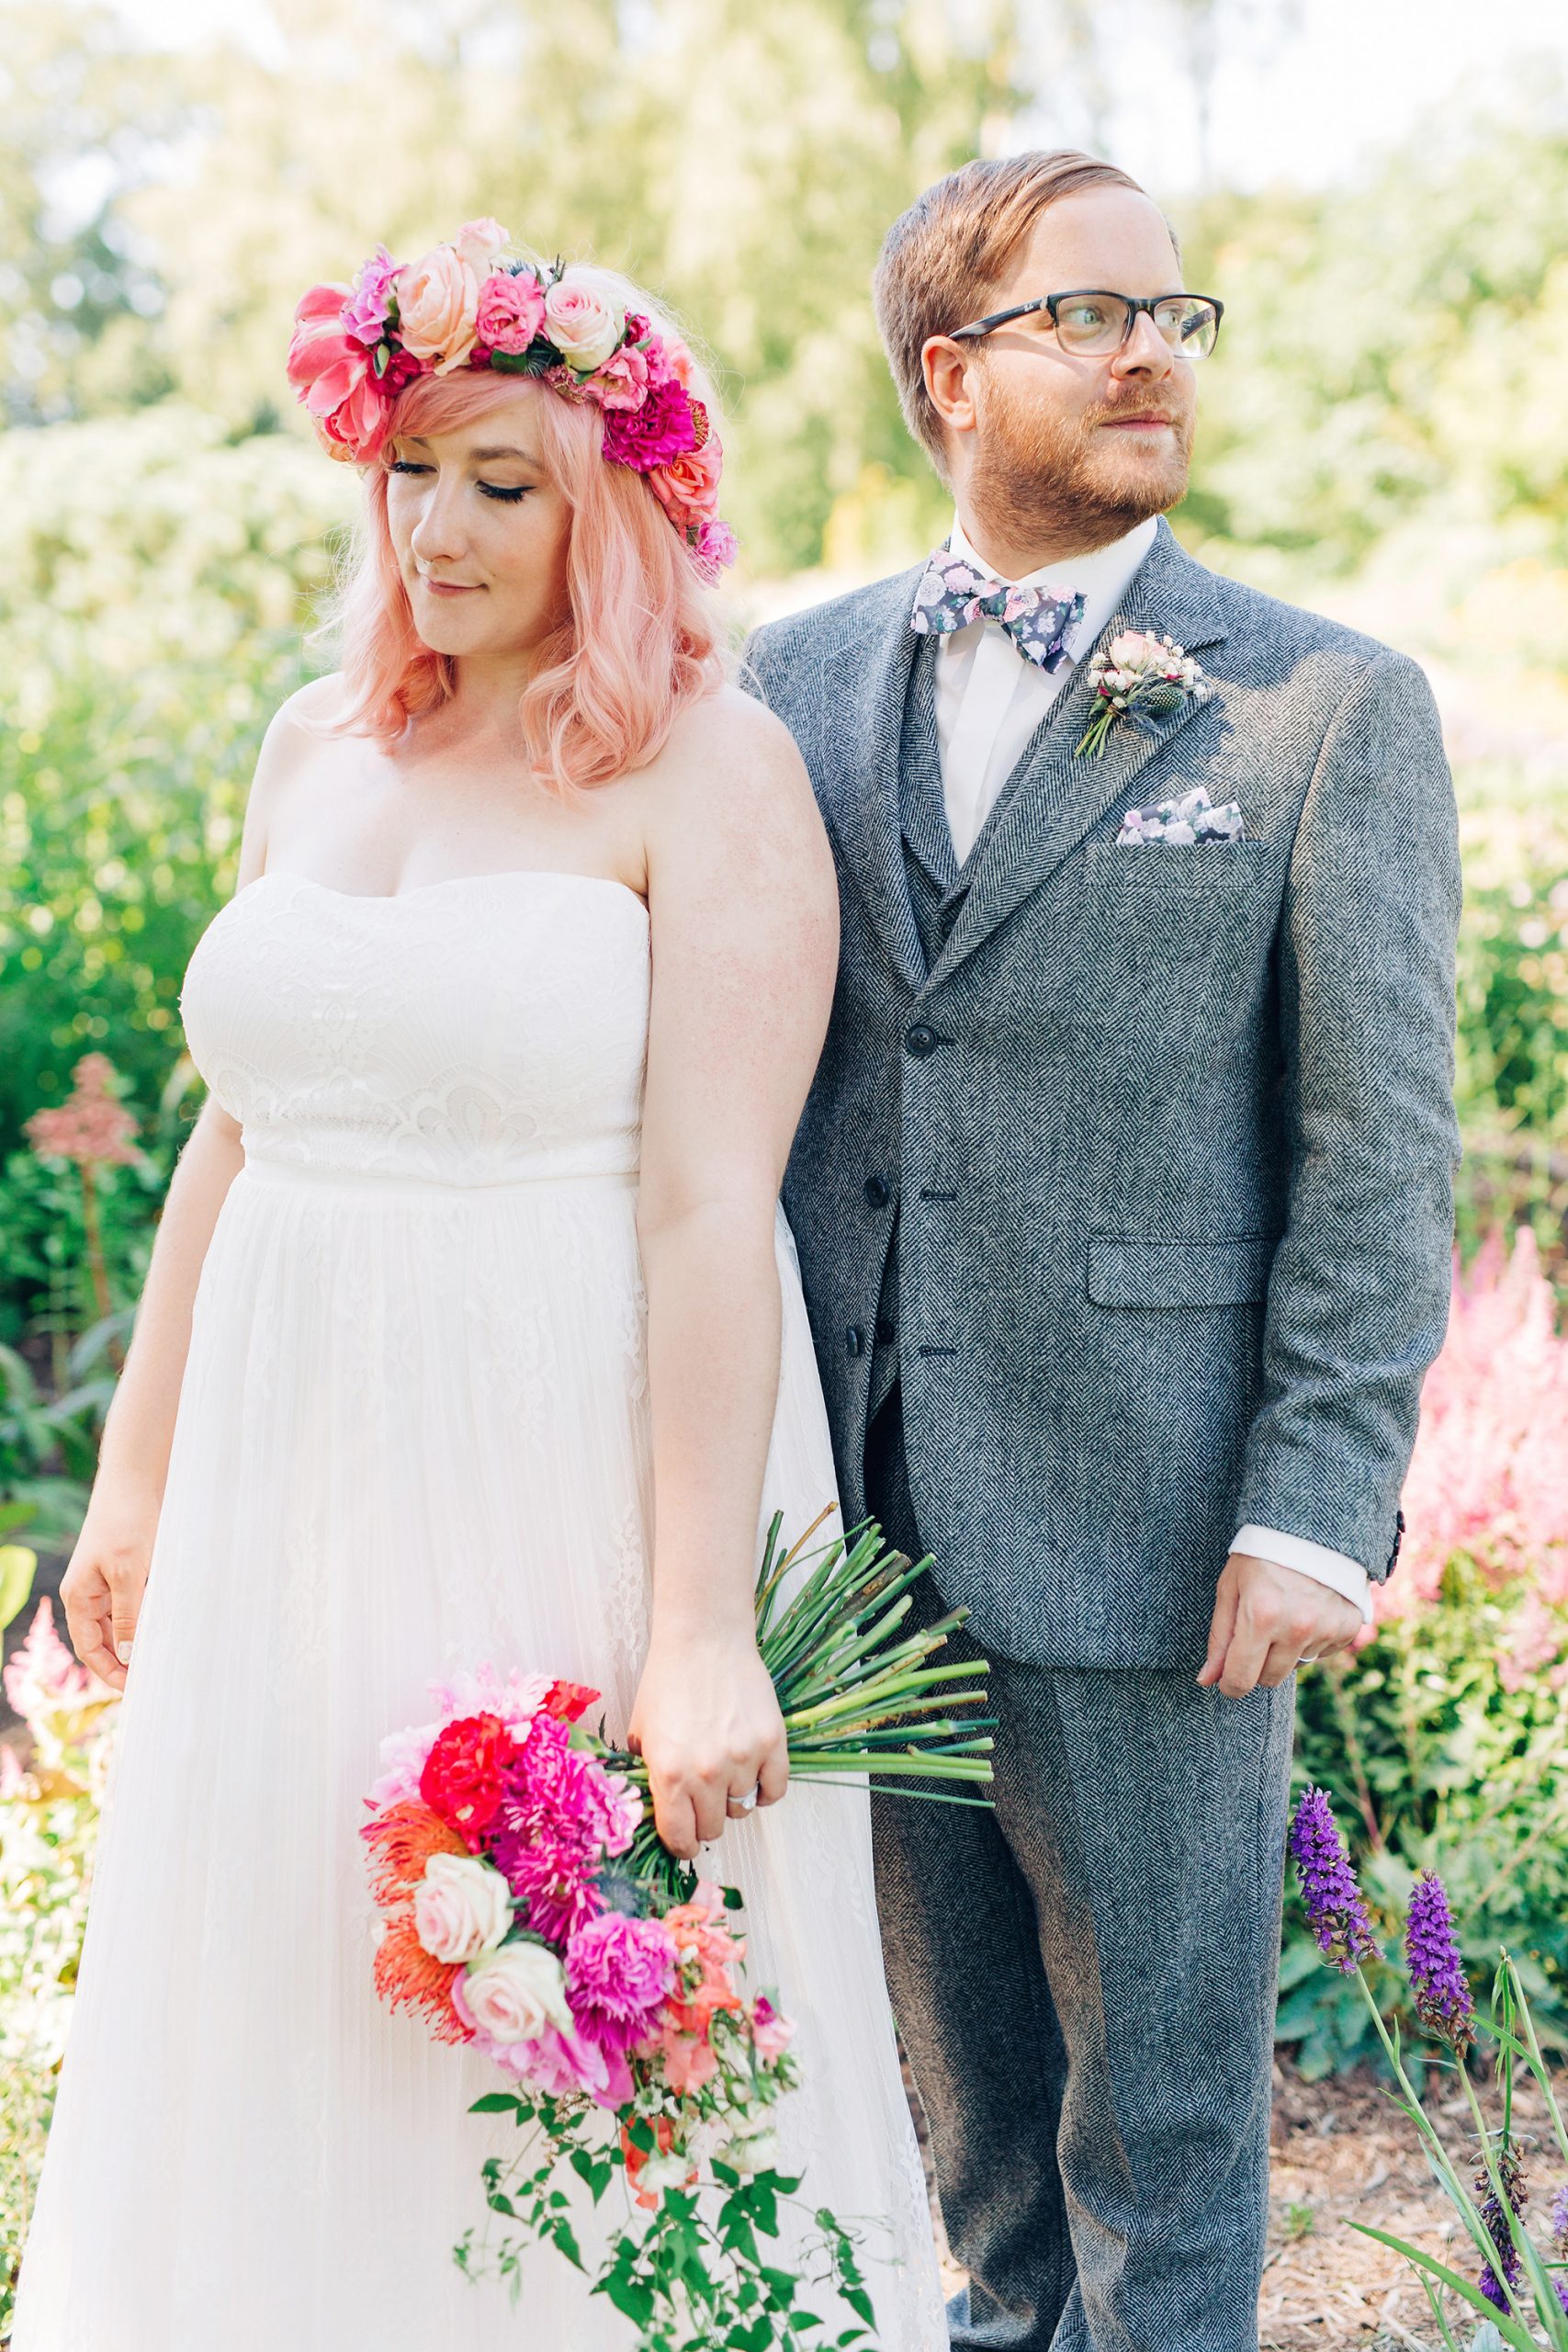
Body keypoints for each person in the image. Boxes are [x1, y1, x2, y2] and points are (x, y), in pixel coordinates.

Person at [12, 223, 945, 2352]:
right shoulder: (309, 746)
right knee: (282, 1965)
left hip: (558, 1459)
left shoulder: (712, 773)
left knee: (549, 2007)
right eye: (407, 470)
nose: (435, 528)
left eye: (500, 484)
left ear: (609, 508)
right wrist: (135, 1485)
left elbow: (719, 1205)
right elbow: (229, 1133)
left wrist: (700, 1623)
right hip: (290, 1467)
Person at [746, 152, 1461, 2350]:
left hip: (1156, 1537)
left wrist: (1311, 1508)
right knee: (973, 2170)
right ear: (950, 373)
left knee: (1163, 2158)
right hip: (858, 1527)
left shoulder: (1317, 708)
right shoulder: (790, 680)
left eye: (1174, 313)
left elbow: (1376, 1143)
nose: (1152, 349)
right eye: (1090, 314)